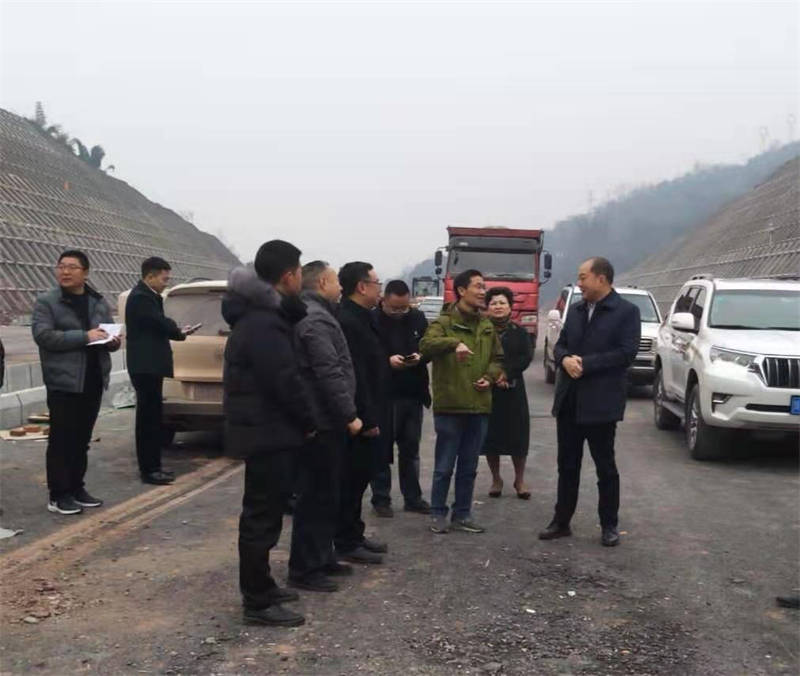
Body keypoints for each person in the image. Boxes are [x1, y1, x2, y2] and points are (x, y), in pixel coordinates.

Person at [222, 240, 316, 627]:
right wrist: (309, 419)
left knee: (268, 513)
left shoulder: (265, 316)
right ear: (288, 275)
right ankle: (257, 602)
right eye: (299, 272)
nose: (301, 279)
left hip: (268, 430)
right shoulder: (263, 323)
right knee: (261, 517)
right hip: (267, 431)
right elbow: (284, 381)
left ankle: (263, 586)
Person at [539, 257, 640, 547]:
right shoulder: (576, 310)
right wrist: (564, 359)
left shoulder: (626, 312)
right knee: (567, 466)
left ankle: (609, 525)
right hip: (570, 401)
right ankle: (561, 521)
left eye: (583, 277)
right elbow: (561, 345)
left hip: (601, 404)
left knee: (605, 468)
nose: (579, 283)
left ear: (601, 278)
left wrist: (585, 364)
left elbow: (626, 353)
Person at [288, 261, 363, 592]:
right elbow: (328, 371)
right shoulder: (315, 318)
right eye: (335, 281)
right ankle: (305, 568)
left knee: (327, 493)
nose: (340, 287)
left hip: (326, 419)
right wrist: (349, 414)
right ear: (321, 283)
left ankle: (322, 556)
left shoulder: (318, 313)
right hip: (323, 421)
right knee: (315, 496)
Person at [32, 250, 121, 515]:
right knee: (62, 440)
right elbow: (44, 336)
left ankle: (76, 488)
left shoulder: (97, 301)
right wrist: (84, 336)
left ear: (86, 272)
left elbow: (106, 332)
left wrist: (113, 342)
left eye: (72, 267)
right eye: (61, 266)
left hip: (92, 379)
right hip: (64, 381)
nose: (65, 271)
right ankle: (58, 495)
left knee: (82, 439)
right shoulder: (47, 302)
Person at [420, 269, 504, 535]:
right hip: (451, 406)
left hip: (479, 406)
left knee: (469, 467)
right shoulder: (443, 323)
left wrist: (489, 377)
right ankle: (437, 513)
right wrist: (453, 343)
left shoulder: (486, 325)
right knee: (444, 466)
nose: (483, 292)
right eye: (478, 286)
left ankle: (463, 514)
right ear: (461, 291)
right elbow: (426, 345)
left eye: (484, 287)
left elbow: (498, 359)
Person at [334, 261, 390, 564]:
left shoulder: (365, 317)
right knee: (351, 480)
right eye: (377, 283)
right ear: (361, 286)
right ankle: (345, 541)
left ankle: (354, 534)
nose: (380, 288)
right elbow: (355, 376)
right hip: (358, 418)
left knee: (361, 478)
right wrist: (366, 419)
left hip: (372, 408)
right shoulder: (348, 321)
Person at [125, 257, 197, 485]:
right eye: (164, 279)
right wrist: (178, 331)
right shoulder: (141, 298)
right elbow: (159, 322)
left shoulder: (148, 296)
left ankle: (154, 466)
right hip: (145, 366)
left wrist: (177, 330)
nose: (166, 283)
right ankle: (149, 470)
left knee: (153, 418)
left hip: (149, 366)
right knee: (147, 420)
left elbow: (159, 323)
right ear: (150, 276)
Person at [370, 279, 432, 517]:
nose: (399, 312)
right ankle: (381, 498)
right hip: (384, 395)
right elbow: (367, 352)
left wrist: (421, 356)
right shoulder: (372, 319)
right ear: (383, 300)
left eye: (403, 308)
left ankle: (413, 498)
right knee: (381, 450)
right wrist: (386, 360)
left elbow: (428, 346)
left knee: (410, 450)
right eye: (394, 308)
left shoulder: (418, 318)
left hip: (413, 393)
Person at [482, 287, 534, 499]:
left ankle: (519, 480)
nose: (498, 307)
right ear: (487, 308)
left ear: (510, 307)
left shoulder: (519, 332)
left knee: (518, 437)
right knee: (491, 437)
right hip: (488, 390)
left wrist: (507, 373)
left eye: (502, 303)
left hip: (514, 391)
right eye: (493, 303)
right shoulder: (482, 331)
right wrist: (494, 376)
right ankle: (496, 479)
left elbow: (525, 357)